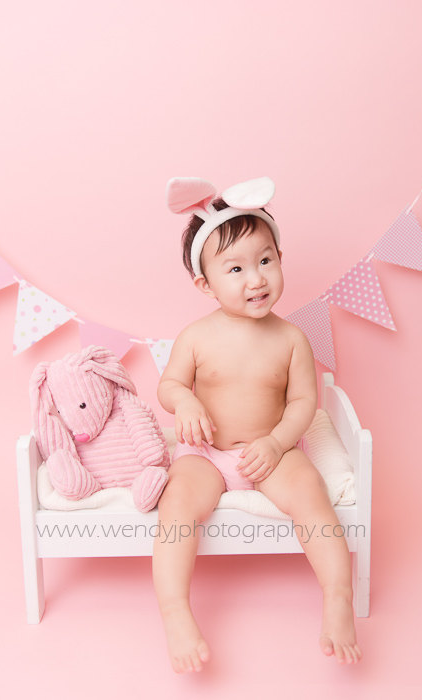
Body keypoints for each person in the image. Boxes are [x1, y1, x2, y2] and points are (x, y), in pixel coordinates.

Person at [152, 176, 362, 673]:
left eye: (265, 261)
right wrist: (185, 405)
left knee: (312, 495)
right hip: (207, 454)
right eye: (236, 268)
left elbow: (304, 403)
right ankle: (175, 611)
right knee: (177, 505)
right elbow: (169, 386)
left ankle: (338, 597)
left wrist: (276, 443)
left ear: (280, 259)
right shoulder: (196, 336)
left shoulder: (290, 339)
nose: (256, 279)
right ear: (205, 284)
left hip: (273, 454)